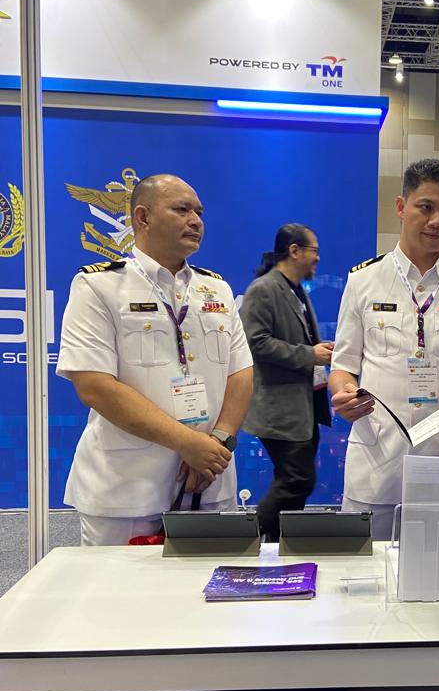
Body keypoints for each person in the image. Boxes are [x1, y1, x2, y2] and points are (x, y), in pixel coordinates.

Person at [57, 174, 254, 546]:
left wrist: (218, 443)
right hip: (127, 488)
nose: (195, 221)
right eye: (182, 210)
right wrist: (188, 443)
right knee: (120, 585)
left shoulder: (217, 289)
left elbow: (241, 372)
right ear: (143, 217)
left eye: (199, 213)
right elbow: (94, 386)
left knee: (209, 582)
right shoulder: (98, 286)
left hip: (209, 482)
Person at [329, 158, 439, 539]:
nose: (436, 221)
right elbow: (342, 365)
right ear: (401, 206)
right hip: (377, 459)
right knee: (366, 564)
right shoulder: (364, 281)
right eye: (426, 207)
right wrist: (343, 392)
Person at [239, 224, 333, 541]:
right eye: (314, 251)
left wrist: (319, 349)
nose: (318, 259)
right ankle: (247, 538)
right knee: (297, 480)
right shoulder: (263, 289)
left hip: (303, 407)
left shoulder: (295, 290)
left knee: (295, 480)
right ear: (294, 251)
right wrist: (309, 354)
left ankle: (274, 544)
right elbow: (255, 343)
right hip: (280, 409)